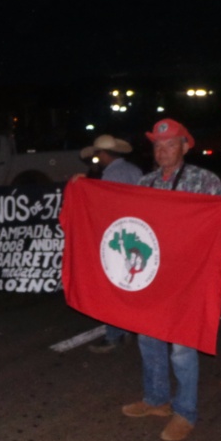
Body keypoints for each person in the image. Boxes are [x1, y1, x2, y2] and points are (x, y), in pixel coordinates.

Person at [121, 118, 221, 441]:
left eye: (170, 144)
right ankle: (156, 400)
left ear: (185, 146)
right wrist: (83, 188)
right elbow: (121, 216)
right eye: (158, 145)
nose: (163, 151)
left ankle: (185, 411)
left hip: (189, 280)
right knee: (148, 340)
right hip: (151, 277)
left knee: (181, 348)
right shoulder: (145, 182)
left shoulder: (204, 180)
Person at [79, 134, 144, 354]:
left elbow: (106, 207)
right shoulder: (134, 171)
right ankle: (130, 327)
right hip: (137, 231)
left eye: (98, 154)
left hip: (118, 234)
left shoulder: (110, 175)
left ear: (104, 154)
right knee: (131, 282)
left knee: (112, 287)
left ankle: (115, 334)